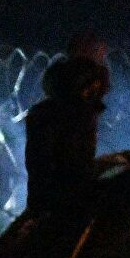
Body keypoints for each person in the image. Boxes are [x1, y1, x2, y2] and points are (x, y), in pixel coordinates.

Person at [24, 56, 107, 218]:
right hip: (61, 204)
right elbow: (43, 165)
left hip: (58, 201)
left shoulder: (48, 114)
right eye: (90, 90)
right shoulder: (59, 116)